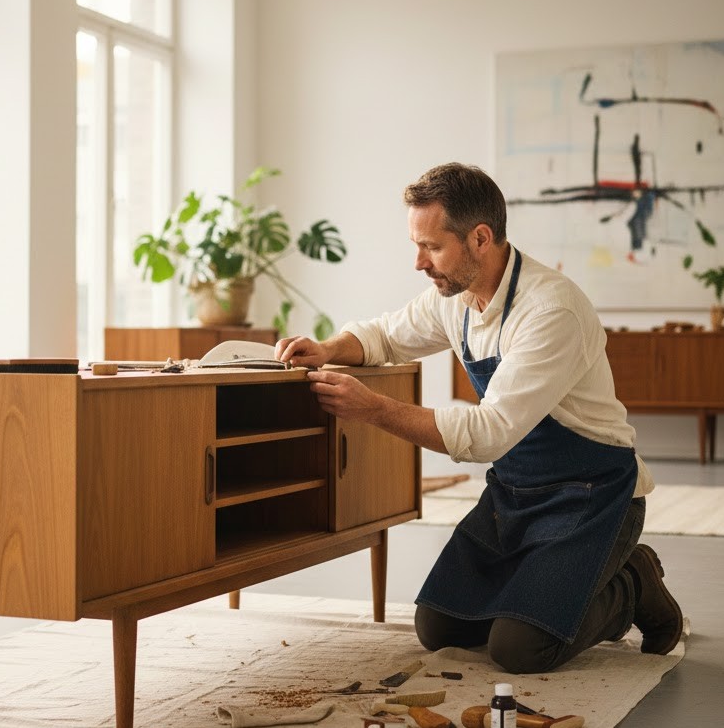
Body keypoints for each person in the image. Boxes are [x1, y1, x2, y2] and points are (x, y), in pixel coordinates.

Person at [275, 163, 683, 674]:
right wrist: (329, 346)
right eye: (416, 245)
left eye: (431, 246)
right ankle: (540, 596)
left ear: (480, 238)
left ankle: (634, 581)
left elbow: (488, 434)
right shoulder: (457, 297)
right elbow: (386, 335)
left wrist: (373, 408)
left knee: (520, 650)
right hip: (514, 494)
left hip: (592, 494)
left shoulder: (551, 310)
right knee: (439, 626)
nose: (420, 263)